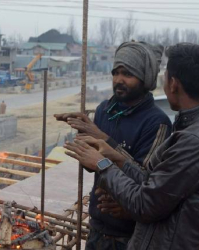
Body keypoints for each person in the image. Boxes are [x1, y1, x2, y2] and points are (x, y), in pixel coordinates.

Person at [65, 43, 199, 249]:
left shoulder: (162, 125)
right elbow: (152, 181)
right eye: (116, 72)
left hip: (128, 230)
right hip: (100, 225)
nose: (119, 79)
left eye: (127, 73)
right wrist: (100, 152)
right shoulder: (105, 110)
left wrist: (104, 160)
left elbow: (147, 197)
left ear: (172, 84)